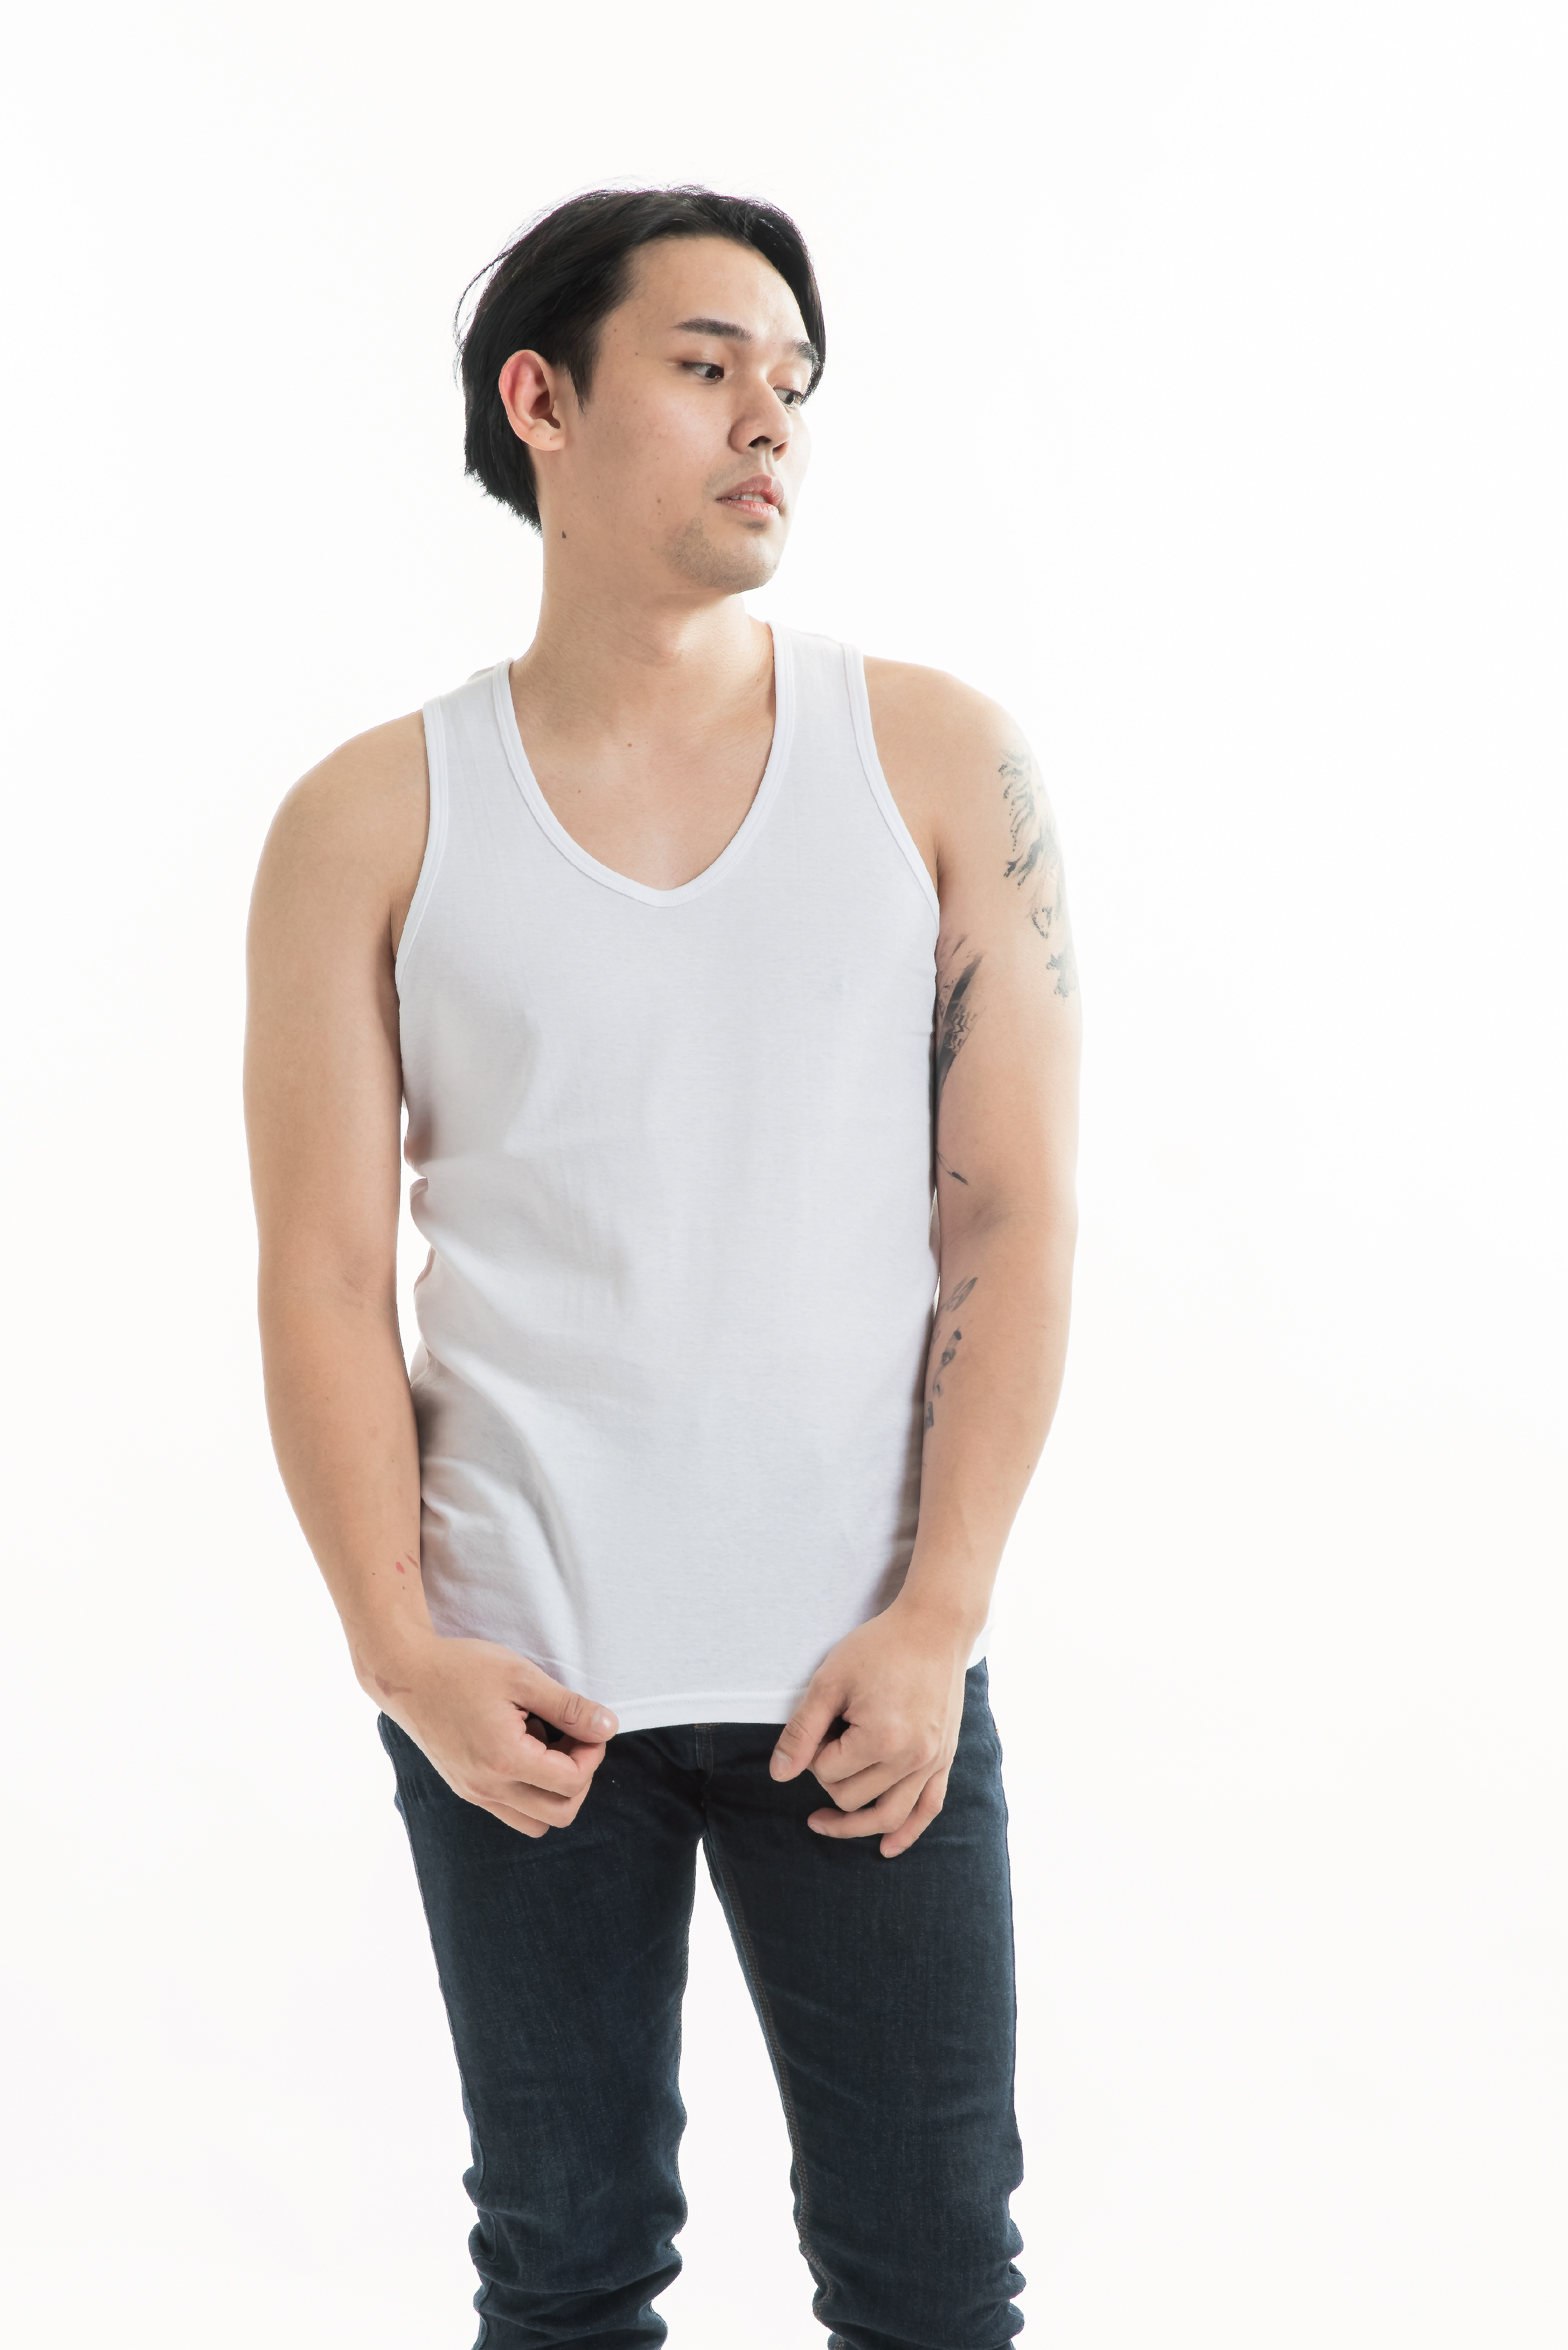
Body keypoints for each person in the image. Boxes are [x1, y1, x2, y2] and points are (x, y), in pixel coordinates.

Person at [244, 184, 1079, 2350]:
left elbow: (1009, 1217)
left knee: (933, 2282)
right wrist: (401, 1654)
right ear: (542, 400)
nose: (767, 422)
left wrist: (940, 1616)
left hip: (862, 1675)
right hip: (522, 1687)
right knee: (565, 2271)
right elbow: (322, 1277)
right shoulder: (366, 817)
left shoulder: (936, 761)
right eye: (707, 368)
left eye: (791, 382)